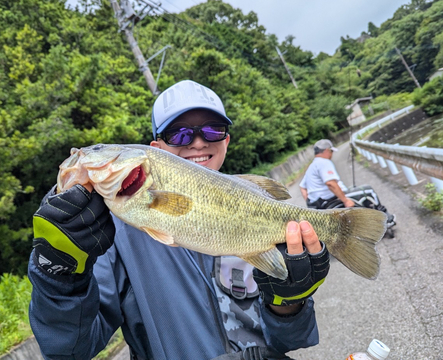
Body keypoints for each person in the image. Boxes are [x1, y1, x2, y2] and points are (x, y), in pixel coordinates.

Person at [28, 80, 330, 360]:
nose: (198, 142)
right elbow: (68, 350)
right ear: (155, 150)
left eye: (212, 130)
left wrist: (289, 302)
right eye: (179, 133)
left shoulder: (254, 205)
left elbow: (291, 339)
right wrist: (58, 273)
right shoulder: (109, 233)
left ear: (226, 141)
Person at [299, 139, 355, 209]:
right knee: (367, 191)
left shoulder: (311, 167)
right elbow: (330, 183)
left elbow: (302, 187)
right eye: (331, 151)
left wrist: (311, 201)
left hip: (316, 205)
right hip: (329, 201)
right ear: (327, 150)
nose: (332, 154)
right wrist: (345, 201)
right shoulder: (324, 162)